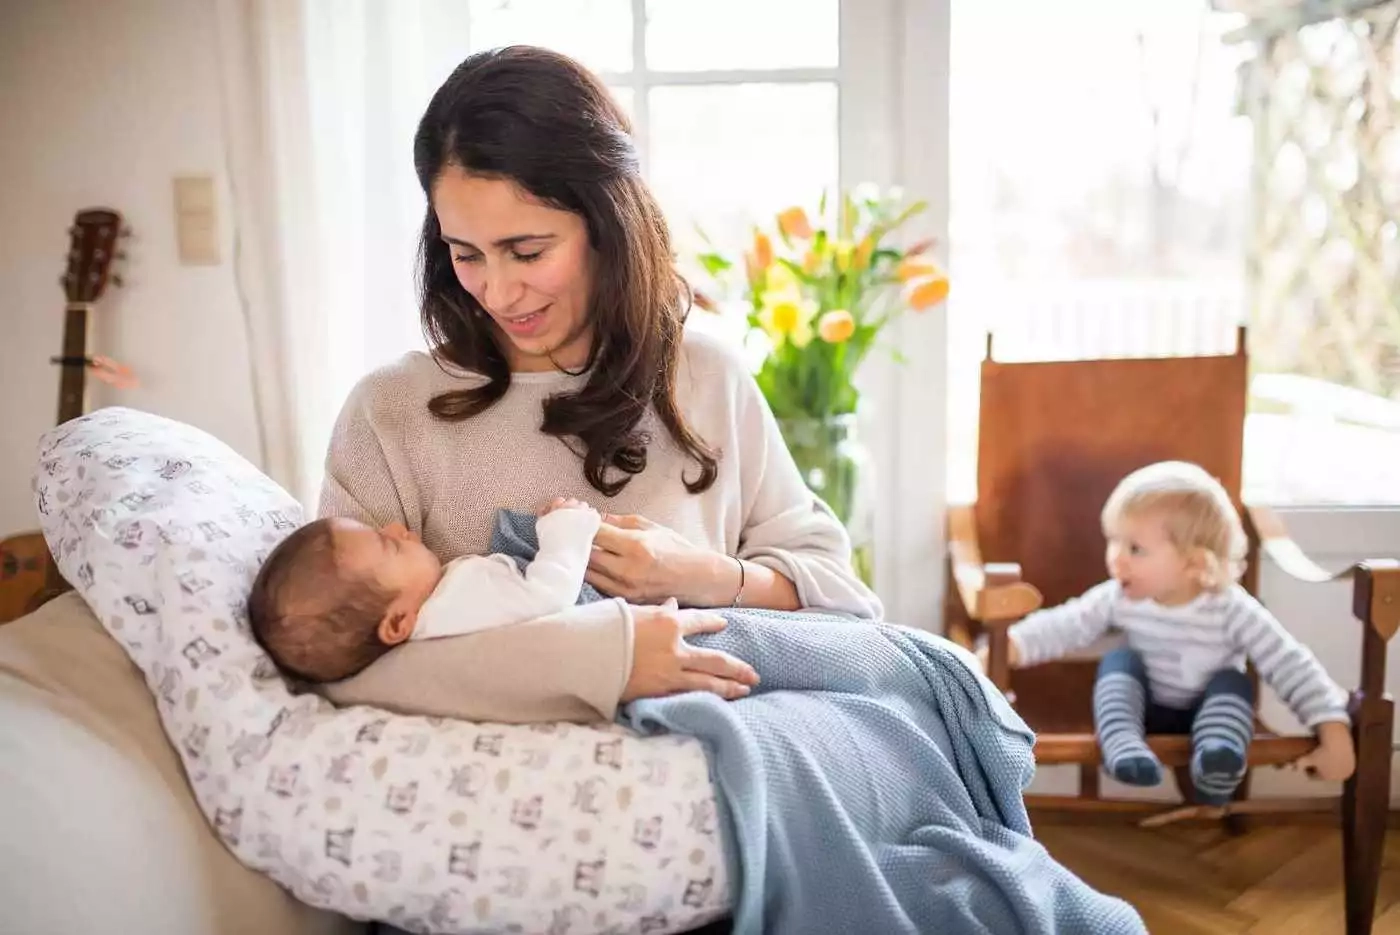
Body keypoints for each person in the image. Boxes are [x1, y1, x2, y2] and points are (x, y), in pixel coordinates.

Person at [318, 44, 881, 711]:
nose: (498, 292)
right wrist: (596, 660)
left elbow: (842, 601)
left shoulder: (705, 379)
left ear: (608, 224)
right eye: (465, 254)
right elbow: (340, 664)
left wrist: (701, 574)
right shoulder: (390, 411)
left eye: (528, 251)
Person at [988, 460, 1354, 804]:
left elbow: (1288, 663)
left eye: (1134, 548)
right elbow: (1066, 624)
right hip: (1143, 710)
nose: (1115, 557)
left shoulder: (1231, 608)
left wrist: (1331, 727)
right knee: (1119, 662)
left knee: (1232, 682)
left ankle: (1217, 761)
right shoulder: (1120, 597)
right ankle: (1123, 746)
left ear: (1194, 562)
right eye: (1113, 541)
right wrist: (1011, 646)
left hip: (1207, 714)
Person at [246, 499, 688, 686]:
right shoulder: (455, 607)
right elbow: (550, 598)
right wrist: (567, 529)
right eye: (390, 544)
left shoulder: (431, 624)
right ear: (399, 622)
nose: (398, 527)